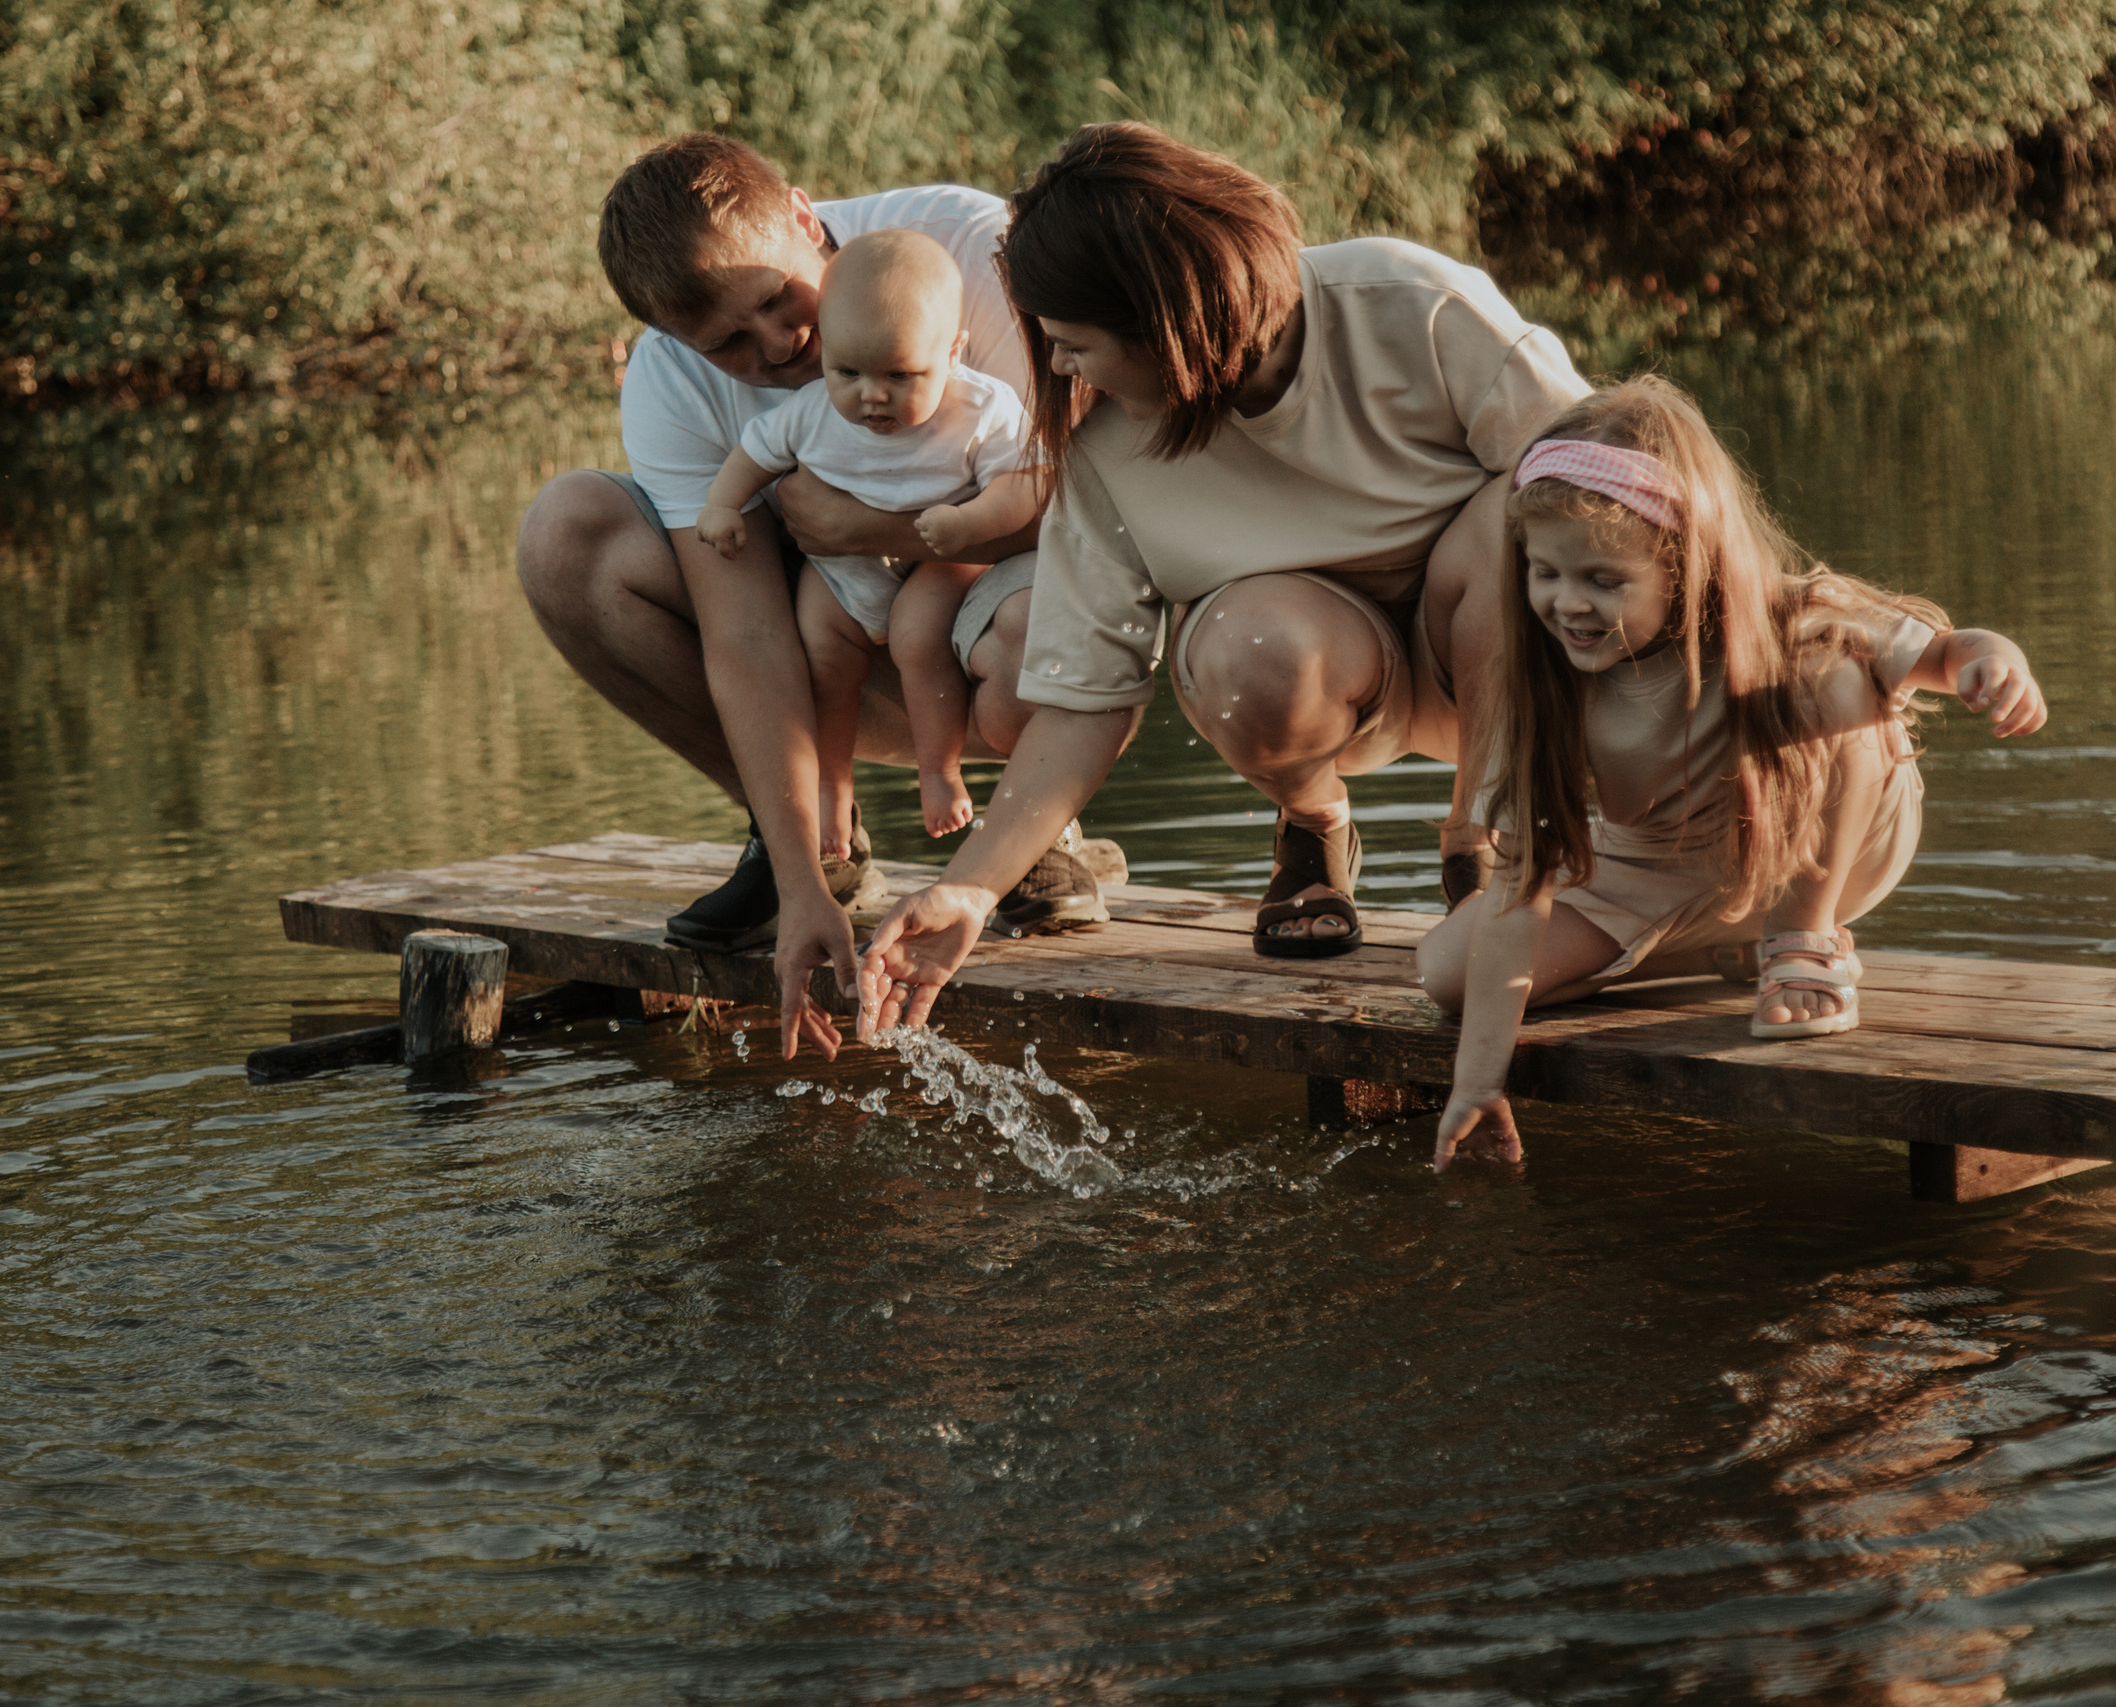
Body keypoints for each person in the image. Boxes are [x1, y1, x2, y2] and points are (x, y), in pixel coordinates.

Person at [858, 122, 1592, 1033]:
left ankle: (1483, 842)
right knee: (1252, 644)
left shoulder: (1408, 300)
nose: (1055, 366)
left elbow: (1618, 484)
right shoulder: (1105, 453)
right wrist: (968, 889)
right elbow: (1083, 702)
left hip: (1505, 655)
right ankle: (1315, 824)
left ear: (1163, 315)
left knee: (1534, 500)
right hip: (1319, 681)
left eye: (1074, 341)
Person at [518, 135, 1112, 1062]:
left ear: (804, 217)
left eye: (777, 302)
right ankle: (810, 851)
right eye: (726, 343)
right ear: (676, 340)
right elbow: (744, 631)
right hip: (830, 635)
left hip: (993, 603)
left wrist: (868, 530)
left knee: (1032, 626)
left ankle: (1030, 827)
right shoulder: (672, 384)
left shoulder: (966, 249)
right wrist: (802, 883)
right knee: (563, 535)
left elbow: (1091, 508)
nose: (779, 347)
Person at [1414, 378, 2047, 1171]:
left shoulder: (1784, 618)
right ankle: (1732, 945)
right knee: (1448, 975)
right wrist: (1476, 1083)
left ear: (1688, 564)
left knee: (1839, 672)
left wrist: (1994, 664)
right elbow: (1521, 884)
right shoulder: (1543, 682)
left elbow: (1950, 655)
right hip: (1654, 863)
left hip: (1816, 843)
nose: (1567, 603)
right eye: (1546, 572)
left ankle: (1799, 938)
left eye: (1603, 580)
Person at [694, 229, 1046, 847]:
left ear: (953, 352)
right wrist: (723, 505)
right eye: (848, 371)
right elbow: (755, 452)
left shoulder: (982, 409)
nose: (871, 395)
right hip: (846, 567)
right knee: (823, 657)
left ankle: (940, 772)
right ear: (827, 350)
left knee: (918, 638)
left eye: (902, 375)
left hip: (944, 556)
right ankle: (834, 791)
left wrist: (969, 523)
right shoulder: (812, 412)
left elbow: (1024, 486)